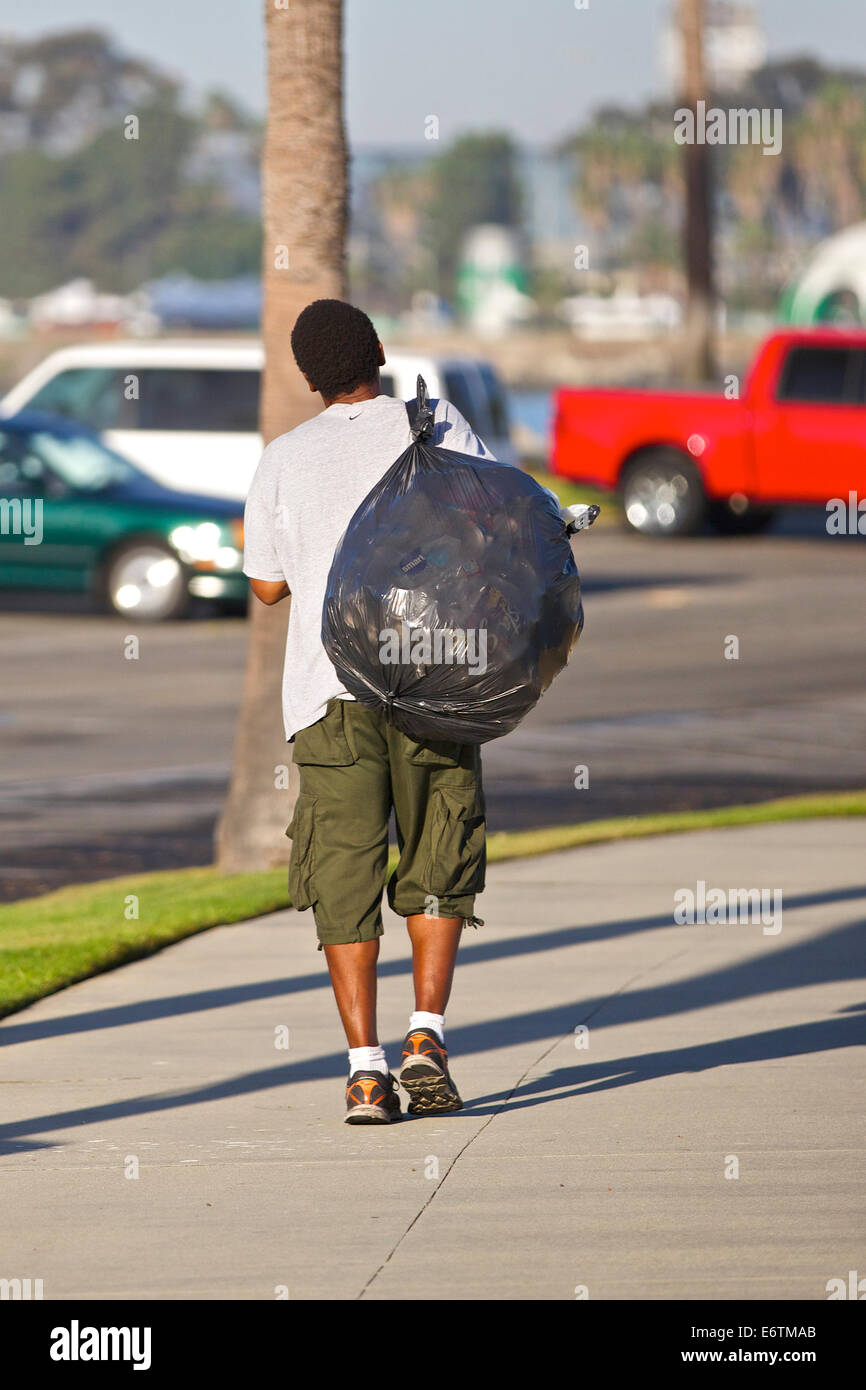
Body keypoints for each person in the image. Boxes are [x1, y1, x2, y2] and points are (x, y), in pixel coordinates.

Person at [242, 298, 493, 1125]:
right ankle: (427, 1035)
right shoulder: (434, 421)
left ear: (308, 378)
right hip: (434, 681)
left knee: (343, 873)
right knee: (439, 851)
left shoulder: (283, 458)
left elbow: (268, 585)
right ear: (379, 353)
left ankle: (363, 1071)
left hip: (328, 695)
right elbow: (490, 520)